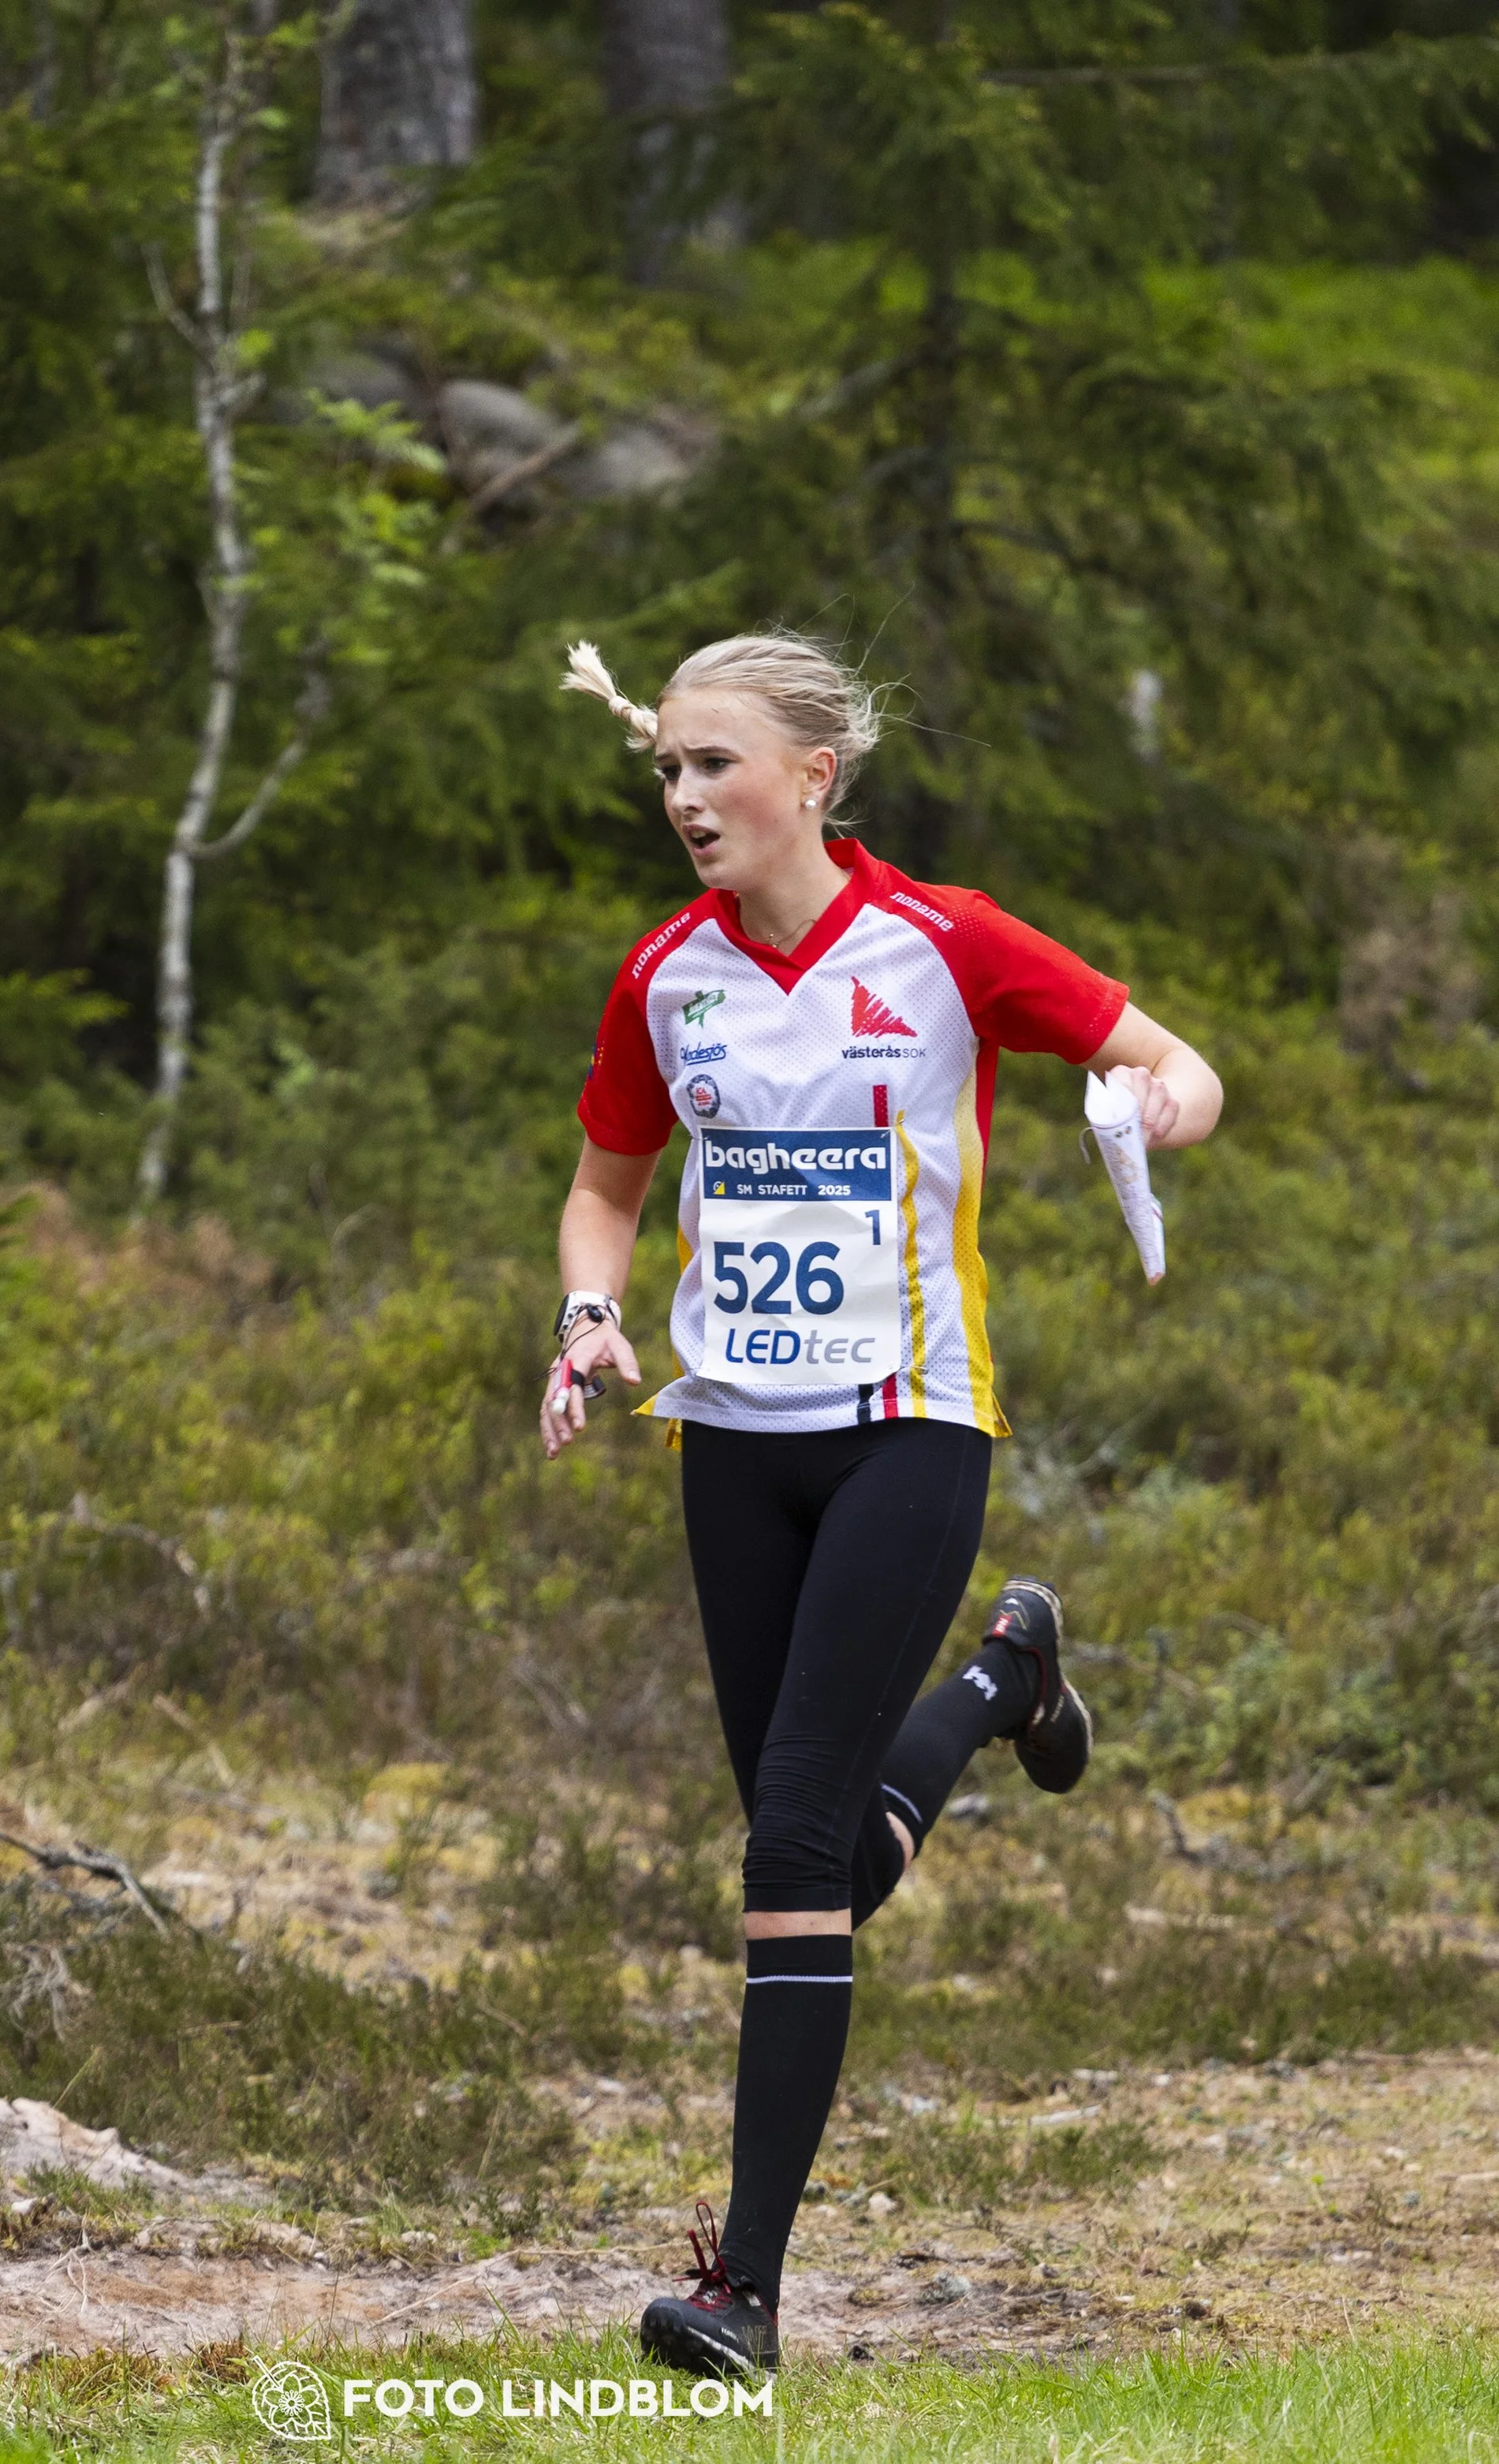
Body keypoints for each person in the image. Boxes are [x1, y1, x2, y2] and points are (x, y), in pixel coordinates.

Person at [544, 632, 1222, 2379]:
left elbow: (1181, 1064)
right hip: (730, 1443)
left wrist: (1144, 1100)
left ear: (811, 777)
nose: (685, 800)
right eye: (668, 772)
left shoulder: (943, 942)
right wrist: (585, 1315)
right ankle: (1005, 1681)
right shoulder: (663, 978)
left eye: (714, 767)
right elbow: (602, 1188)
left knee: (777, 1848)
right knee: (824, 1863)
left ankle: (739, 2290)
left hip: (908, 1429)